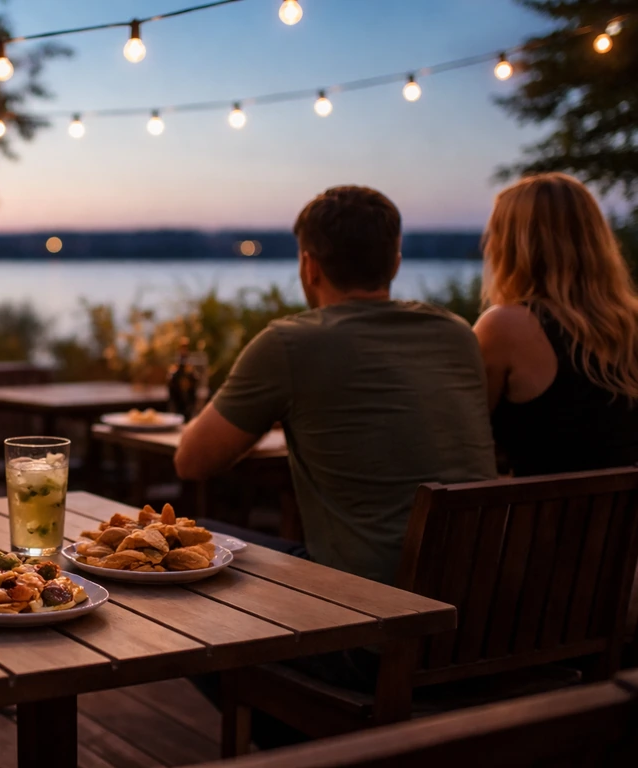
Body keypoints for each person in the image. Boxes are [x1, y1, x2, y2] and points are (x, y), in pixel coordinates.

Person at [175, 186, 496, 587]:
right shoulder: (457, 333)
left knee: (196, 537)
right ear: (395, 263)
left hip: (369, 608)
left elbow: (191, 462)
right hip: (478, 594)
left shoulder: (290, 343)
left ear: (309, 266)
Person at [473, 173, 638, 476]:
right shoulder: (631, 323)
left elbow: (464, 435)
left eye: (495, 232)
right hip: (626, 521)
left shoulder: (506, 326)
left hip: (542, 521)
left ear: (513, 244)